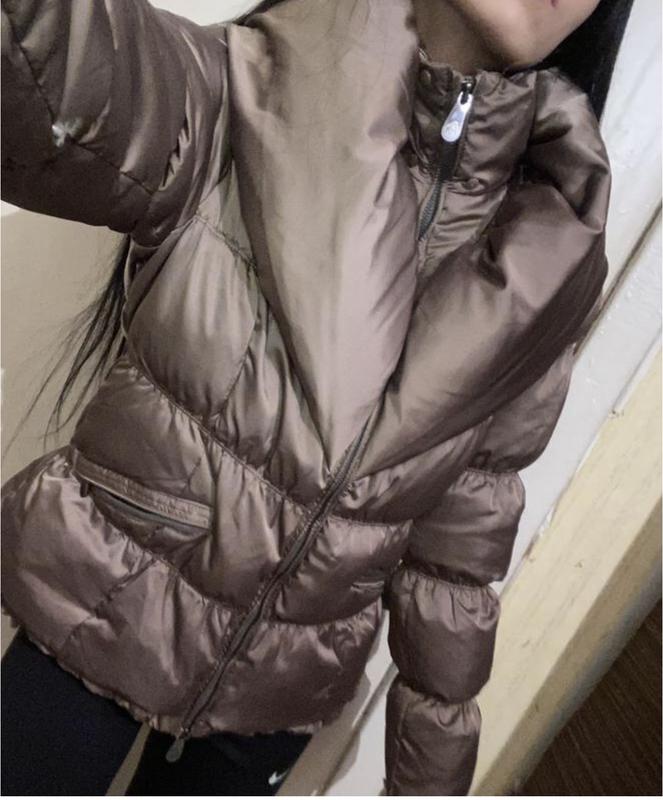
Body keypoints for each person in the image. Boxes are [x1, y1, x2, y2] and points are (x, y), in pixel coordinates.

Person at [1, 0, 633, 795]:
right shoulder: (247, 84)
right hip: (90, 624)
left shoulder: (552, 250)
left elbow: (456, 561)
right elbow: (47, 64)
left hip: (274, 707)